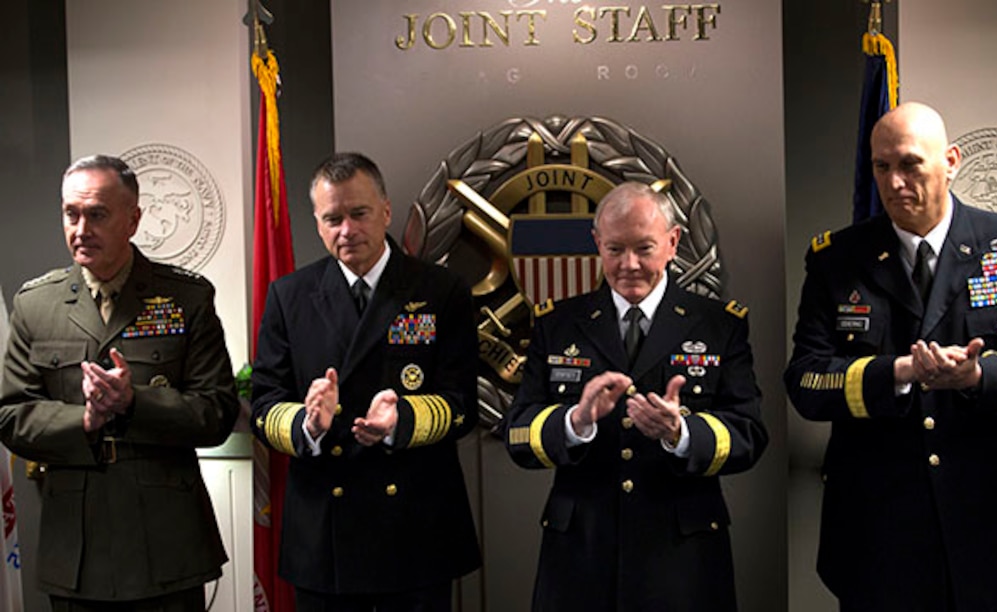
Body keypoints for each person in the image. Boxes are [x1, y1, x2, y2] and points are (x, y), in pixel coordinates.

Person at [785, 102, 997, 611]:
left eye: (910, 164)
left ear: (951, 161)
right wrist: (897, 372)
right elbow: (806, 380)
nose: (894, 182)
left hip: (988, 523)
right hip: (876, 531)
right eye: (882, 166)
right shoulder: (836, 259)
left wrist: (978, 376)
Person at [504, 181, 767, 612]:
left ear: (673, 242)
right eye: (614, 249)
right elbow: (519, 431)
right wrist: (575, 423)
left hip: (682, 558)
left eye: (644, 248)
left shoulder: (718, 325)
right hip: (580, 556)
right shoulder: (558, 323)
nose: (629, 265)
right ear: (597, 244)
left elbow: (749, 434)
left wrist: (682, 433)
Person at [0, 155, 239, 610]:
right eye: (71, 214)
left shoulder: (187, 298)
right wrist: (84, 420)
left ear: (134, 219)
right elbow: (11, 417)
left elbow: (217, 411)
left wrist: (134, 403)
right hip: (78, 541)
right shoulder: (36, 304)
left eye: (97, 214)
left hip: (165, 541)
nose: (80, 228)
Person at [250, 152, 480, 611]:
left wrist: (399, 423)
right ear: (317, 222)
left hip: (415, 527)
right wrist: (308, 425)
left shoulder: (441, 290)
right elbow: (265, 405)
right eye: (332, 218)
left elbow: (461, 404)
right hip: (325, 531)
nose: (347, 230)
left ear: (386, 211)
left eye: (359, 214)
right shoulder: (289, 296)